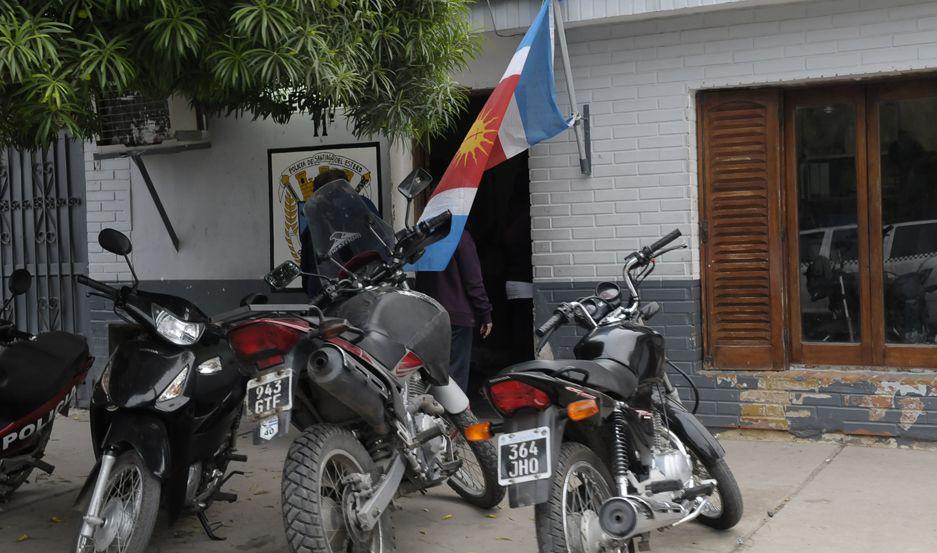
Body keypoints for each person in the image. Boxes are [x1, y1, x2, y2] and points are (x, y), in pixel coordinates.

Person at [415, 230, 492, 392]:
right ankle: (455, 416)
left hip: (428, 315)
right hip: (457, 316)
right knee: (455, 376)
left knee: (433, 374)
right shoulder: (460, 236)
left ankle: (436, 414)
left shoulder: (424, 237)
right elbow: (473, 280)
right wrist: (485, 313)